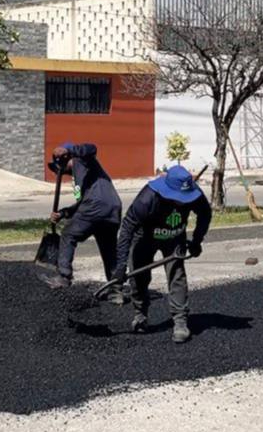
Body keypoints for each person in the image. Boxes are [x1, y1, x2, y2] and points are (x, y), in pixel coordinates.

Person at [112, 165, 212, 344]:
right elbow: (127, 228)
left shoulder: (193, 192)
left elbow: (205, 213)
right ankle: (140, 314)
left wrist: (196, 241)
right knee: (139, 277)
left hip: (174, 237)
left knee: (177, 275)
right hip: (144, 238)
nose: (182, 202)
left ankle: (180, 322)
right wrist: (120, 266)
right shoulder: (147, 198)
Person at [44, 143, 122, 292]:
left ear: (66, 158)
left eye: (58, 166)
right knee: (108, 249)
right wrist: (64, 213)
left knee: (68, 234)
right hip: (111, 209)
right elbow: (82, 203)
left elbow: (92, 148)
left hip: (96, 206)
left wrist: (69, 149)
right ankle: (116, 287)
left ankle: (63, 277)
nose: (60, 172)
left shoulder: (83, 161)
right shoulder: (81, 177)